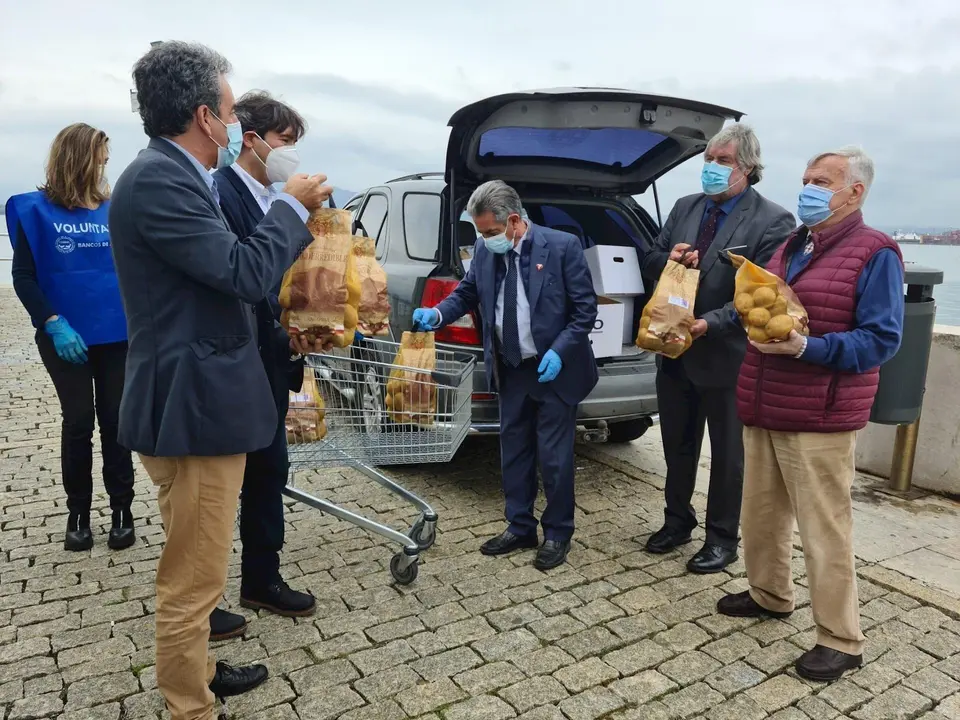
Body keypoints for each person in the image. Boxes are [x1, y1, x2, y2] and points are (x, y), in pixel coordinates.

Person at [109, 41, 332, 720]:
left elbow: (217, 287)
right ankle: (189, 704)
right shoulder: (159, 180)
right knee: (195, 574)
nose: (236, 124)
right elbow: (242, 272)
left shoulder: (176, 177)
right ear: (207, 116)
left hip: (195, 399)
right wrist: (290, 208)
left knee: (195, 560)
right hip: (194, 408)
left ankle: (199, 669)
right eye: (233, 110)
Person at [718, 146, 904, 682]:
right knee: (761, 514)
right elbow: (760, 304)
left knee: (824, 529)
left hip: (819, 415)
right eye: (805, 179)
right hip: (763, 400)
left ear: (854, 192)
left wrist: (808, 349)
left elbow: (881, 340)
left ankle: (841, 639)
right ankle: (770, 594)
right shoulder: (792, 244)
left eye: (821, 181)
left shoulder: (876, 252)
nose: (809, 188)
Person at [412, 180, 597, 570]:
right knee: (513, 451)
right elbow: (467, 292)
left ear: (514, 220)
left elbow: (584, 311)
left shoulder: (562, 247)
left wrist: (561, 352)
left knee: (555, 458)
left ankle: (559, 533)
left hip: (553, 371)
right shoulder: (484, 248)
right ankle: (520, 525)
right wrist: (439, 313)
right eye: (481, 232)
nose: (485, 239)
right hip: (511, 369)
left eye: (492, 232)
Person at [640, 124, 794, 574]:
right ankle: (676, 521)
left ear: (746, 168)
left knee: (728, 456)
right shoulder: (685, 206)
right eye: (708, 158)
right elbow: (650, 256)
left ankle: (723, 537)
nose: (711, 167)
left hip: (727, 357)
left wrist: (712, 322)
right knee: (677, 444)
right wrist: (670, 260)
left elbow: (762, 294)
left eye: (722, 161)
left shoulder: (773, 220)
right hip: (673, 351)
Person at [208, 90, 316, 642]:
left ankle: (261, 577)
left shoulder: (274, 194)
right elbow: (242, 278)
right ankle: (205, 600)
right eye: (284, 142)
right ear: (251, 140)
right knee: (222, 484)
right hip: (237, 358)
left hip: (273, 357)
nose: (290, 154)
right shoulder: (221, 193)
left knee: (270, 470)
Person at [6, 123, 135, 553]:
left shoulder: (113, 209)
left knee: (116, 421)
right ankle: (78, 512)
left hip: (117, 335)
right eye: (101, 156)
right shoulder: (35, 211)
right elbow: (23, 276)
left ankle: (122, 509)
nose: (105, 164)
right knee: (79, 421)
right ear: (80, 157)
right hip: (64, 336)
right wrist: (51, 321)